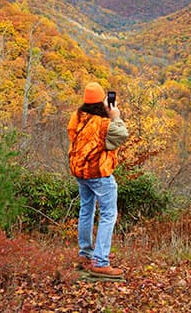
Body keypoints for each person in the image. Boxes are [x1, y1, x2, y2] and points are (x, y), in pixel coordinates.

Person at [68, 82, 129, 278]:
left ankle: (85, 255)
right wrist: (116, 115)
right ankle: (100, 261)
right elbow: (121, 135)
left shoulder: (76, 117)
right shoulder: (103, 124)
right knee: (109, 214)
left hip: (80, 172)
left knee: (86, 210)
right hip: (99, 174)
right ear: (101, 102)